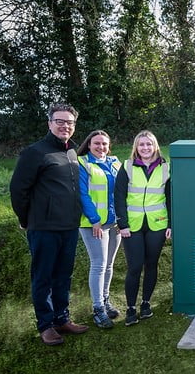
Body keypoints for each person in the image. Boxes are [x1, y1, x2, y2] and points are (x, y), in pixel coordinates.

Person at [9, 103, 89, 346]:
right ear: (50, 123)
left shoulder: (73, 152)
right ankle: (45, 325)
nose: (65, 126)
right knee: (43, 277)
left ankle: (61, 318)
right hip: (43, 227)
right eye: (60, 121)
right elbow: (18, 190)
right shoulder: (35, 153)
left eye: (70, 122)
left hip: (69, 226)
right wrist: (26, 220)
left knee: (63, 275)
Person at [115, 130, 171, 326]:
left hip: (157, 224)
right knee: (134, 266)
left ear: (155, 146)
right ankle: (130, 307)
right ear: (136, 148)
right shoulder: (127, 167)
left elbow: (171, 197)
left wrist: (171, 224)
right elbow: (119, 196)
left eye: (149, 144)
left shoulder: (166, 168)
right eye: (141, 145)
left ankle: (145, 304)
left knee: (151, 264)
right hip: (132, 225)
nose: (145, 148)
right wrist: (122, 224)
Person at [77, 130, 123, 329]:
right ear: (89, 144)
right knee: (99, 264)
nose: (101, 147)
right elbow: (82, 194)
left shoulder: (115, 163)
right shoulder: (82, 163)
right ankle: (97, 309)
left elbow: (122, 192)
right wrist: (94, 220)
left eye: (105, 143)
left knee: (110, 264)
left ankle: (105, 301)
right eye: (97, 143)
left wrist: (122, 220)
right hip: (94, 223)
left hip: (114, 223)